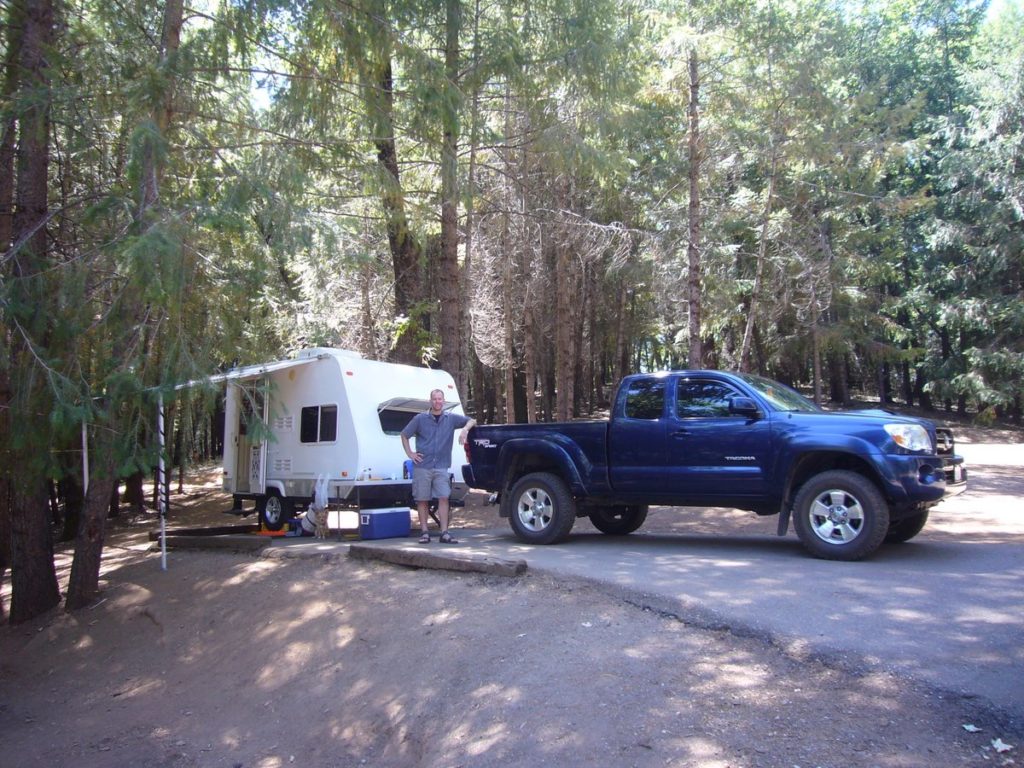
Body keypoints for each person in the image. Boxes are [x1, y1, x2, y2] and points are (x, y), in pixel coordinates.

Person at [400, 389, 476, 544]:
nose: (437, 402)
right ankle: (425, 533)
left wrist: (464, 431)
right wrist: (410, 454)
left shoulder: (450, 418)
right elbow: (404, 434)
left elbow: (472, 420)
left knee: (443, 497)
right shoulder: (420, 419)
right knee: (422, 499)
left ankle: (444, 533)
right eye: (434, 399)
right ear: (430, 401)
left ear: (443, 401)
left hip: (442, 466)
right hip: (422, 466)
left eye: (439, 399)